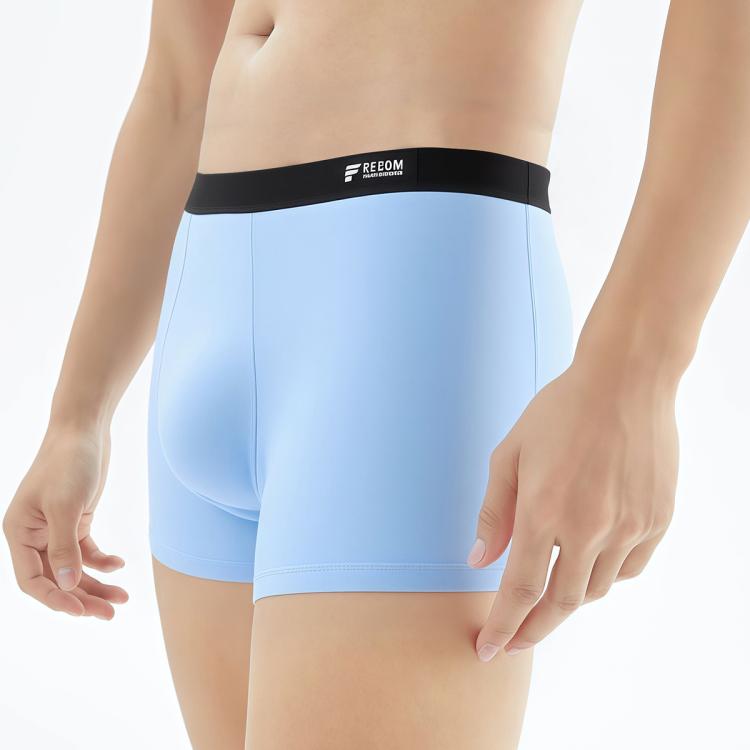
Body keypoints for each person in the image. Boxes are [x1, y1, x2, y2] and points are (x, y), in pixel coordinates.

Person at [3, 1, 749, 748]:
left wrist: (641, 372)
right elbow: (177, 85)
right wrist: (79, 413)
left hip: (412, 292)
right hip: (206, 275)